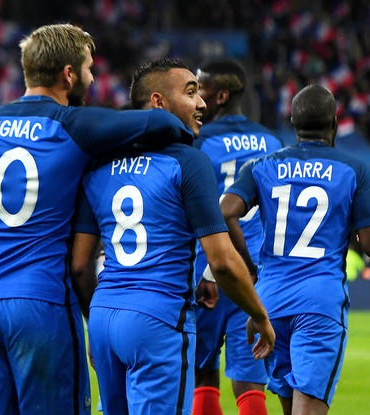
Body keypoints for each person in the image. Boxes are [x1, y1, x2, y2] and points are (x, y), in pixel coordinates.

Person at [0, 24, 194, 415]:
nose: (93, 77)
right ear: (69, 74)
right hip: (39, 303)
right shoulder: (72, 125)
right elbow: (161, 123)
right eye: (88, 68)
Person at [70, 58, 275, 415]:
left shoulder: (98, 164)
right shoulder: (187, 161)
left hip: (104, 319)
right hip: (158, 320)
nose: (202, 104)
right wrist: (259, 314)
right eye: (191, 93)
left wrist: (94, 321)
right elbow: (223, 263)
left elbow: (79, 265)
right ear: (158, 103)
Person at [220, 84, 370, 415]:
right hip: (319, 303)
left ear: (293, 123)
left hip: (269, 303)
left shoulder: (261, 166)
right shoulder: (353, 170)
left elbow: (226, 210)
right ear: (335, 124)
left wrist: (248, 266)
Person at [191, 58, 283, 415]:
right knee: (249, 381)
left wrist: (211, 271)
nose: (196, 98)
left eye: (201, 89)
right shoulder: (272, 141)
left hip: (208, 269)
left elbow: (200, 207)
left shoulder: (198, 141)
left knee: (202, 374)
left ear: (222, 95)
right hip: (255, 272)